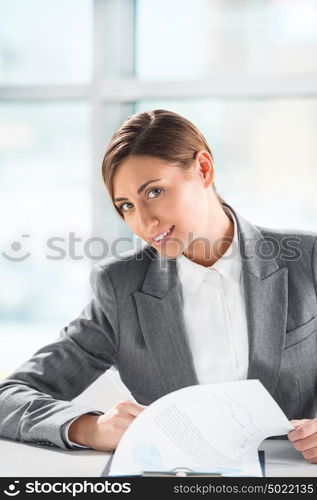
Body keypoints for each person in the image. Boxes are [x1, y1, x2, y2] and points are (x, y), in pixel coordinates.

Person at [0, 109, 317, 464]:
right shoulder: (121, 289)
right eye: (126, 206)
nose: (144, 221)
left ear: (203, 169)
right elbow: (8, 397)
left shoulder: (308, 260)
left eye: (154, 191)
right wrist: (91, 428)